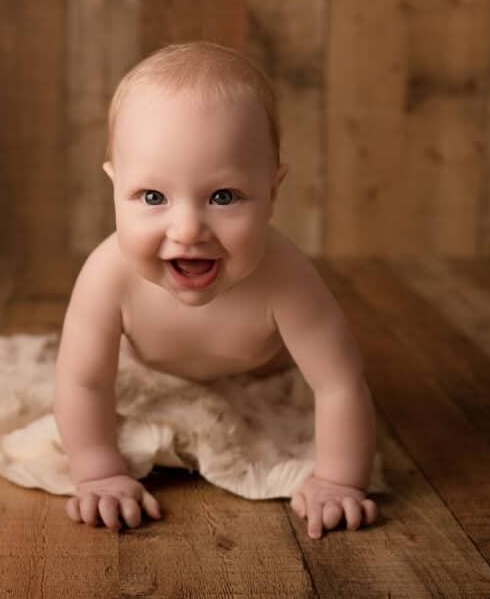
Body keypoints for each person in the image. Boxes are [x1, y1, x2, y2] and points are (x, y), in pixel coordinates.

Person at [54, 41, 377, 539]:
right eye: (153, 196)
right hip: (150, 368)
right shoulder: (107, 275)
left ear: (272, 191)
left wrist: (338, 480)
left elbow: (338, 384)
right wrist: (98, 473)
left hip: (258, 371)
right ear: (114, 187)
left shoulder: (286, 277)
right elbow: (83, 383)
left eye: (223, 196)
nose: (188, 230)